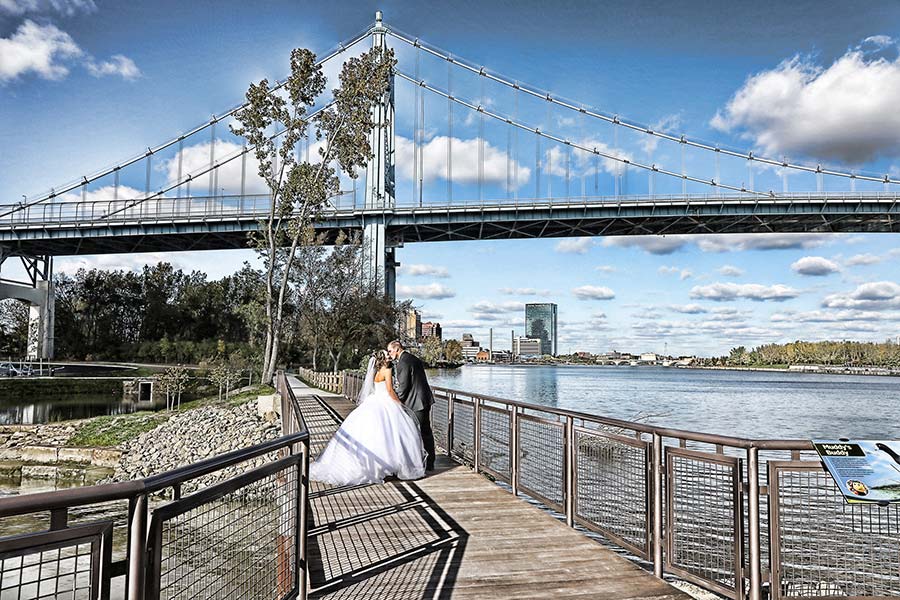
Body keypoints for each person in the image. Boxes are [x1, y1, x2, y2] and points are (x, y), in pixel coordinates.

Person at [309, 350, 426, 485]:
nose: (389, 356)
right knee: (394, 434)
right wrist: (399, 403)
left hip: (375, 400)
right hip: (385, 402)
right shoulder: (387, 370)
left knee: (377, 435)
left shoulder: (377, 372)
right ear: (384, 359)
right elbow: (389, 390)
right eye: (387, 355)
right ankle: (393, 465)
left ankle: (378, 465)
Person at [387, 340, 436, 471]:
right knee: (426, 431)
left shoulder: (403, 362)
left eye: (390, 351)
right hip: (424, 399)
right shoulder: (413, 358)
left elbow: (403, 387)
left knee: (414, 433)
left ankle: (419, 462)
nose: (389, 354)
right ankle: (429, 462)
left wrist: (395, 401)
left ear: (397, 349)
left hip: (415, 403)